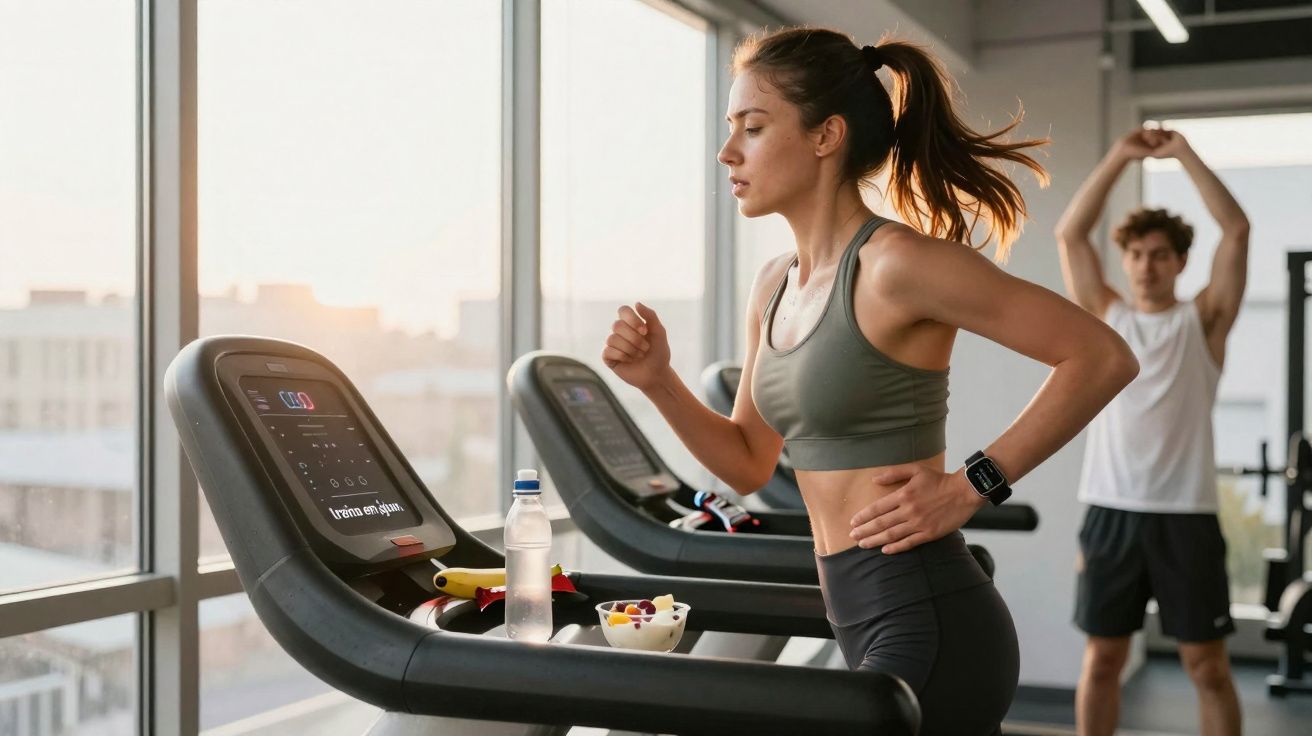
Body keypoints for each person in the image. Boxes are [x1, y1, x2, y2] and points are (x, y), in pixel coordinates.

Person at [602, 27, 1137, 735]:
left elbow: (1101, 356)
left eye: (753, 129)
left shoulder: (897, 266)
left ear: (826, 135)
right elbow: (747, 458)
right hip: (857, 613)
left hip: (929, 618)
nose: (728, 152)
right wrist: (658, 381)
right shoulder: (774, 285)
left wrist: (972, 484)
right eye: (730, 130)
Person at [1056, 126, 1250, 736]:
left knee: (1207, 666)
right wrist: (1119, 154)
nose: (1145, 266)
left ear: (1180, 261)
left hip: (1185, 516)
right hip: (1110, 512)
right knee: (1104, 660)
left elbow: (1238, 231)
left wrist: (1183, 154)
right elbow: (1071, 234)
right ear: (1125, 260)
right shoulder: (1108, 319)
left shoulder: (1205, 321)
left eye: (1160, 254)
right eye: (1136, 254)